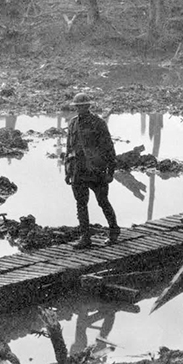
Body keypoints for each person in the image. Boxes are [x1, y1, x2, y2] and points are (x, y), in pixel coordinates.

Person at [64, 93, 119, 250]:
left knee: (103, 201)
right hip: (77, 170)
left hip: (96, 170)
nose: (80, 109)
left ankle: (114, 231)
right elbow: (69, 149)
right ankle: (85, 237)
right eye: (77, 106)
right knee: (81, 204)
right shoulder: (72, 123)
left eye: (83, 106)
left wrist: (110, 171)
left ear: (89, 106)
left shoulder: (98, 123)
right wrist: (67, 172)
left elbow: (109, 148)